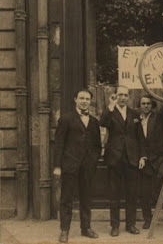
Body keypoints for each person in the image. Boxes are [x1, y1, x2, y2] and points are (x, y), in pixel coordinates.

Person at [53, 89, 102, 243]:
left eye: (87, 99)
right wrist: (57, 166)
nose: (84, 101)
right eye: (81, 98)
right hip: (69, 165)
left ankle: (86, 228)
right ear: (75, 99)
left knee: (86, 198)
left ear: (90, 101)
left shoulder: (94, 121)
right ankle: (64, 230)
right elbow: (59, 144)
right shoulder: (66, 119)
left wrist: (93, 161)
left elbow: (97, 145)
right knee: (66, 199)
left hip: (87, 166)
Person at [100, 86, 146, 237]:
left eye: (125, 95)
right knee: (114, 194)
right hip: (114, 158)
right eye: (120, 95)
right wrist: (110, 106)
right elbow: (103, 122)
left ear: (129, 97)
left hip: (132, 158)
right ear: (115, 96)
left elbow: (140, 137)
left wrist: (142, 156)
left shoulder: (134, 114)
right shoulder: (111, 111)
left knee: (131, 193)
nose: (122, 98)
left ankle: (131, 224)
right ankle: (114, 226)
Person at [138, 72, 163, 229]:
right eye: (143, 104)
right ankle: (148, 218)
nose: (146, 106)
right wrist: (141, 156)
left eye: (148, 104)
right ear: (140, 106)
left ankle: (155, 199)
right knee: (144, 191)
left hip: (161, 156)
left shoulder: (158, 117)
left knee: (162, 174)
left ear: (152, 105)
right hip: (145, 159)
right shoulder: (135, 120)